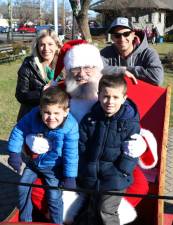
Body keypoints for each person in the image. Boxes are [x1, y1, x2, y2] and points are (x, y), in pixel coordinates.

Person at [29, 41, 158, 225]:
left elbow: (129, 125)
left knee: (139, 185)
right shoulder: (58, 93)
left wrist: (140, 143)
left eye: (89, 68)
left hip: (109, 162)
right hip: (71, 162)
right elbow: (35, 123)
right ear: (68, 70)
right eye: (76, 69)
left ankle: (105, 212)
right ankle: (77, 213)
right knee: (35, 187)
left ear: (98, 69)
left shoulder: (110, 93)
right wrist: (33, 140)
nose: (82, 74)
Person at [7, 86, 79, 224]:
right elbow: (19, 130)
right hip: (33, 163)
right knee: (22, 187)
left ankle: (57, 222)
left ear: (66, 112)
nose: (51, 117)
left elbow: (71, 154)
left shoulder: (71, 127)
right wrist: (14, 153)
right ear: (40, 110)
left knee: (53, 196)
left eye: (56, 113)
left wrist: (70, 176)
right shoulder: (33, 116)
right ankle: (25, 220)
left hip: (53, 167)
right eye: (47, 113)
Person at [78, 75, 140, 225]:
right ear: (98, 95)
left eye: (115, 97)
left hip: (115, 177)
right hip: (91, 175)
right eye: (105, 96)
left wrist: (121, 172)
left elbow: (131, 154)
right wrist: (84, 167)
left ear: (124, 98)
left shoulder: (130, 123)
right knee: (91, 211)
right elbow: (81, 144)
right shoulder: (90, 119)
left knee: (106, 210)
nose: (110, 102)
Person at [100, 17, 164, 86]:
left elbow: (157, 78)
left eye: (126, 34)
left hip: (139, 95)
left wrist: (126, 70)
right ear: (112, 37)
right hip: (114, 95)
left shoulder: (148, 53)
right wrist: (120, 71)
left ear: (133, 35)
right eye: (117, 35)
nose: (122, 39)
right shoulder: (105, 53)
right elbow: (96, 69)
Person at [15, 29, 62, 121]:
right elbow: (21, 95)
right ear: (37, 46)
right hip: (32, 118)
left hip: (57, 119)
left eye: (50, 44)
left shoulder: (65, 64)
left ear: (57, 46)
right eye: (42, 45)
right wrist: (41, 92)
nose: (46, 48)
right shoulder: (28, 64)